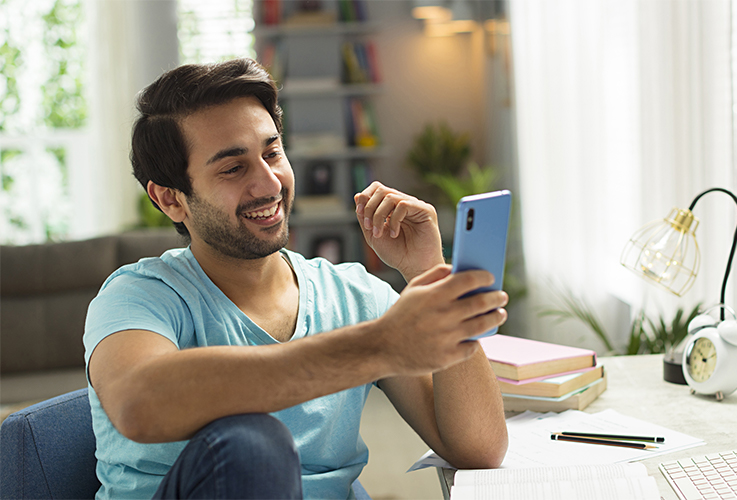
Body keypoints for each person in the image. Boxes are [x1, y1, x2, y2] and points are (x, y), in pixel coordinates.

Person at [84, 58, 509, 500]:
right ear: (171, 199)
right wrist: (377, 347)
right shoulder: (139, 296)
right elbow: (140, 404)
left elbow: (478, 450)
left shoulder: (354, 296)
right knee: (253, 444)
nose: (269, 184)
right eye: (233, 168)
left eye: (272, 153)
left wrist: (429, 272)